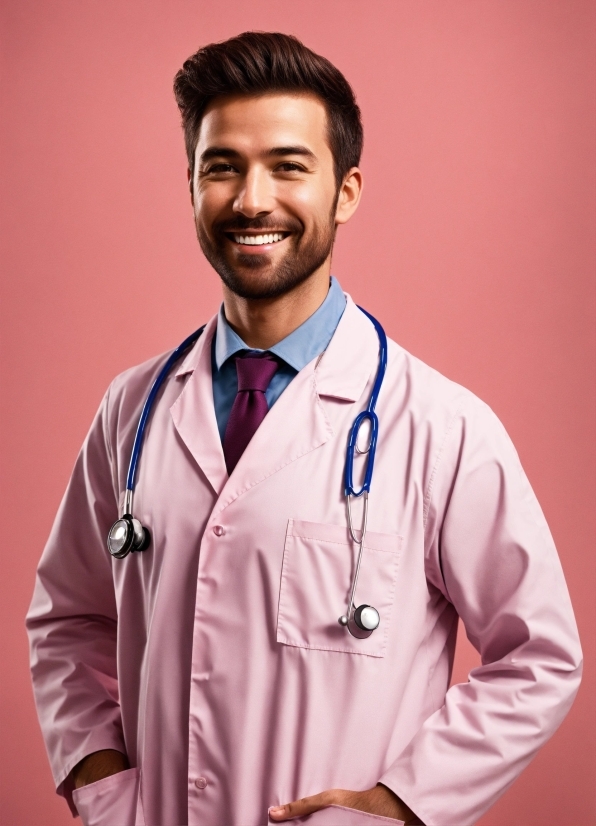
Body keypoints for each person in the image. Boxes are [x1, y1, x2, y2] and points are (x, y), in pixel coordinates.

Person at [26, 32, 582, 826]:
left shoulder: (441, 426)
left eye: (288, 166)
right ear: (190, 185)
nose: (253, 200)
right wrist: (101, 781)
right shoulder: (133, 409)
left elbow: (541, 656)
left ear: (345, 191)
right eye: (222, 167)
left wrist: (401, 805)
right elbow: (68, 618)